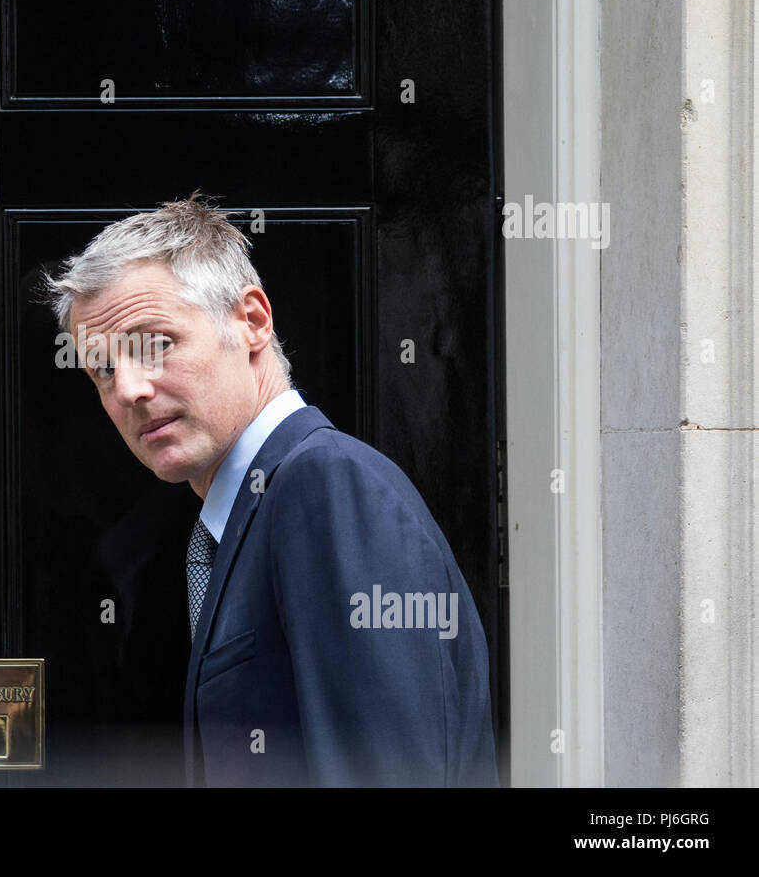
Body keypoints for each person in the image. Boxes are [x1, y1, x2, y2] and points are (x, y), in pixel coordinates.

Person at [42, 194, 498, 786]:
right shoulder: (242, 514)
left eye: (152, 343)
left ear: (253, 322)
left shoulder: (326, 485)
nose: (127, 388)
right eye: (102, 368)